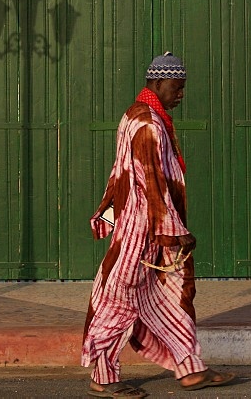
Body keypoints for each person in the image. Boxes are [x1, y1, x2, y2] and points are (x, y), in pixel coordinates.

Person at [81, 52, 234, 397]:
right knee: (118, 300)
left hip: (149, 227)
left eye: (182, 88)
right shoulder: (148, 123)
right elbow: (151, 181)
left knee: (172, 294)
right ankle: (103, 376)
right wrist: (173, 230)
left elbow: (122, 173)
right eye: (176, 88)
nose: (180, 94)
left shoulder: (143, 116)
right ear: (158, 82)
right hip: (143, 230)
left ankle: (191, 369)